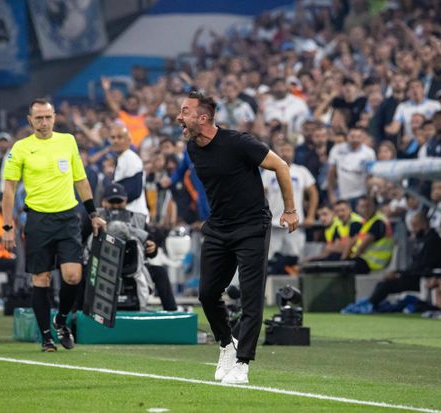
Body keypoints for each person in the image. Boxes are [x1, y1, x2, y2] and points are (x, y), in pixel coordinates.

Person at [177, 91, 298, 385]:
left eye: (185, 112)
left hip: (251, 227)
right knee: (207, 294)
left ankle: (242, 363)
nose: (179, 117)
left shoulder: (239, 142)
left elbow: (281, 166)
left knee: (251, 296)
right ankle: (227, 344)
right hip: (218, 227)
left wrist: (290, 210)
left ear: (203, 118)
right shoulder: (192, 147)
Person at [2, 98, 106, 352]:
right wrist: (7, 227)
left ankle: (61, 320)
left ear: (55, 117)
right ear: (30, 120)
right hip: (38, 220)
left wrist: (93, 214)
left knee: (73, 275)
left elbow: (81, 180)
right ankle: (47, 337)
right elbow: (9, 189)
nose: (44, 122)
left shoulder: (68, 141)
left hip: (68, 217)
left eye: (48, 117)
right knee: (42, 278)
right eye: (39, 118)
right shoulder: (21, 148)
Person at [100, 183, 176, 311]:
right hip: (103, 264)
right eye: (112, 202)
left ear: (125, 200)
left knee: (160, 273)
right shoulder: (95, 218)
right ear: (104, 202)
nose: (116, 205)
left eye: (119, 201)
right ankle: (76, 313)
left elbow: (151, 247)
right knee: (82, 273)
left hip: (136, 266)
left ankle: (172, 313)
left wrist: (152, 248)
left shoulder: (138, 219)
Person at [367, 212, 441, 309]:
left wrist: (399, 274)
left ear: (424, 224)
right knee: (384, 283)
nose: (413, 229)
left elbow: (423, 266)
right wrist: (399, 273)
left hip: (422, 278)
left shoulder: (432, 241)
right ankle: (371, 305)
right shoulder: (422, 239)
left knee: (385, 285)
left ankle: (369, 306)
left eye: (415, 226)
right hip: (415, 275)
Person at [261, 140, 318, 261]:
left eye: (288, 150)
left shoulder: (301, 171)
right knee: (270, 261)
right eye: (282, 150)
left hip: (295, 224)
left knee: (295, 261)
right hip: (274, 224)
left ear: (293, 152)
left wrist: (311, 215)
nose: (285, 153)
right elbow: (260, 194)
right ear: (277, 152)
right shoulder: (268, 172)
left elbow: (313, 193)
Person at [342, 196, 393, 274]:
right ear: (357, 208)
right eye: (362, 206)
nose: (365, 209)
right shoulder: (367, 222)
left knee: (345, 267)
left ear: (374, 207)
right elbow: (354, 242)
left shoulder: (378, 222)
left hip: (374, 262)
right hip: (366, 260)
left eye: (368, 206)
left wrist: (348, 259)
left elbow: (361, 248)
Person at [327, 128, 376, 206]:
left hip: (362, 195)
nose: (355, 139)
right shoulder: (337, 149)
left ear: (363, 138)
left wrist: (370, 195)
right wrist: (331, 194)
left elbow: (370, 175)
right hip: (342, 196)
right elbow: (331, 172)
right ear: (347, 137)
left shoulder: (369, 153)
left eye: (358, 137)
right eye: (352, 136)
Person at [109, 126, 149, 218]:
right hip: (128, 214)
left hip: (134, 215)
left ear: (129, 140)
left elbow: (134, 190)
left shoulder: (131, 158)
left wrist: (112, 201)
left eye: (120, 137)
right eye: (113, 138)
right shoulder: (122, 158)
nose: (115, 141)